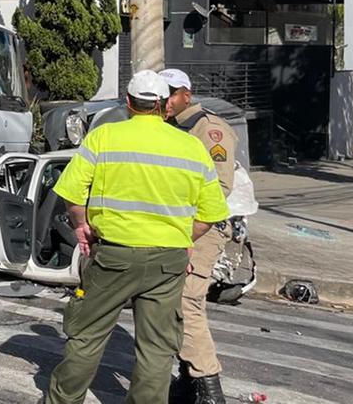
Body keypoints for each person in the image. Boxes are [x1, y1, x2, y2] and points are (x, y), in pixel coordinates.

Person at [43, 70, 229, 404]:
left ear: (129, 102)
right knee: (157, 348)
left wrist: (81, 224)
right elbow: (212, 213)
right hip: (168, 262)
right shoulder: (191, 147)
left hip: (113, 256)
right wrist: (184, 238)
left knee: (87, 336)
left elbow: (72, 193)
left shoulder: (104, 137)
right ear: (161, 105)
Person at [160, 68, 238, 404]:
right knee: (168, 303)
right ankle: (188, 381)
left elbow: (220, 188)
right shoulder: (168, 128)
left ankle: (209, 389)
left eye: (172, 93)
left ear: (186, 95)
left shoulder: (209, 128)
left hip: (203, 226)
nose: (166, 100)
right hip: (174, 226)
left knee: (186, 302)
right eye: (162, 94)